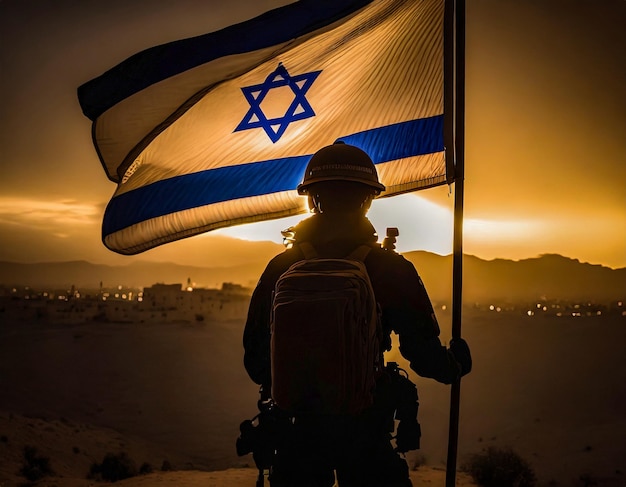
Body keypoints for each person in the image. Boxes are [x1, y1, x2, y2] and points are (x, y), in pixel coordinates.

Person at [243, 142, 472, 487]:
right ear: (367, 200)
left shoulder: (281, 268)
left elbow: (255, 360)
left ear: (311, 199)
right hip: (365, 428)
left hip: (297, 430)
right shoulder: (391, 268)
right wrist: (455, 365)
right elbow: (423, 355)